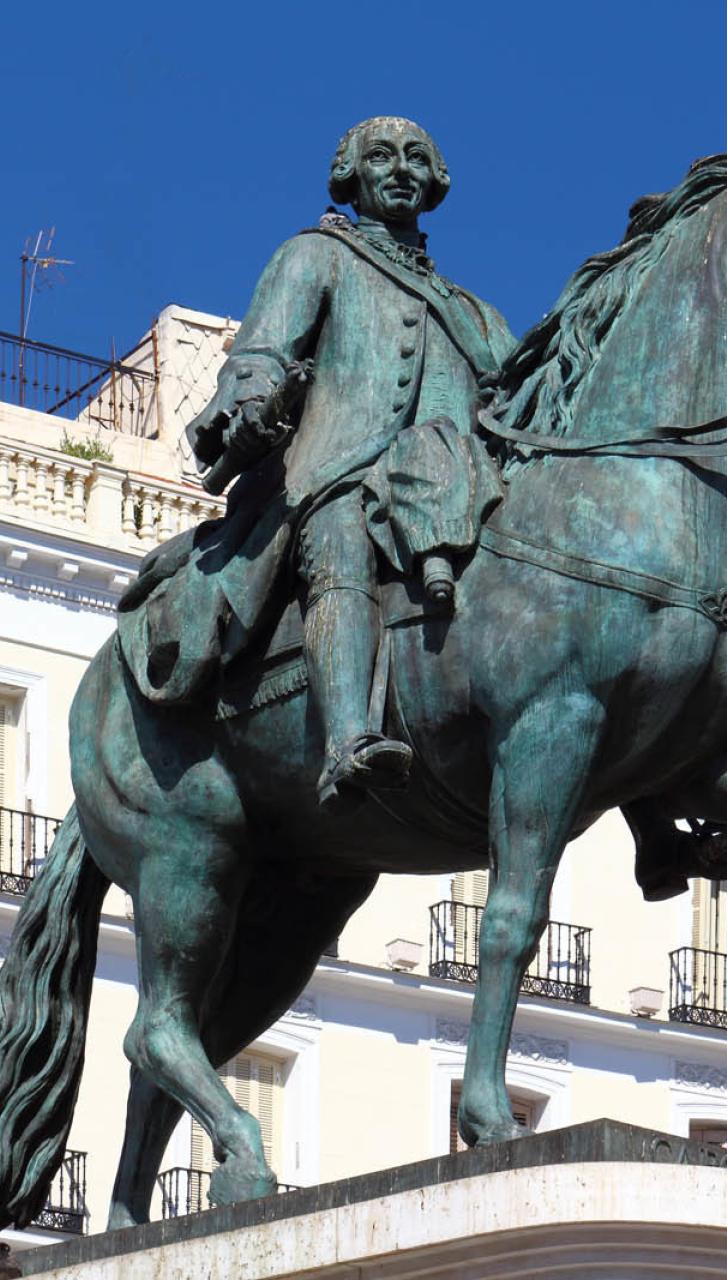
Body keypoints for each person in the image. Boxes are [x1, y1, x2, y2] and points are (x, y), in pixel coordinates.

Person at [185, 117, 514, 810]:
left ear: (437, 181)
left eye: (418, 159)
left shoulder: (476, 314)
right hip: (343, 471)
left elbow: (521, 398)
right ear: (352, 176)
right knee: (339, 538)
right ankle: (347, 743)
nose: (401, 170)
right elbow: (261, 353)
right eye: (383, 157)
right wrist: (248, 403)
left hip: (458, 483)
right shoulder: (316, 256)